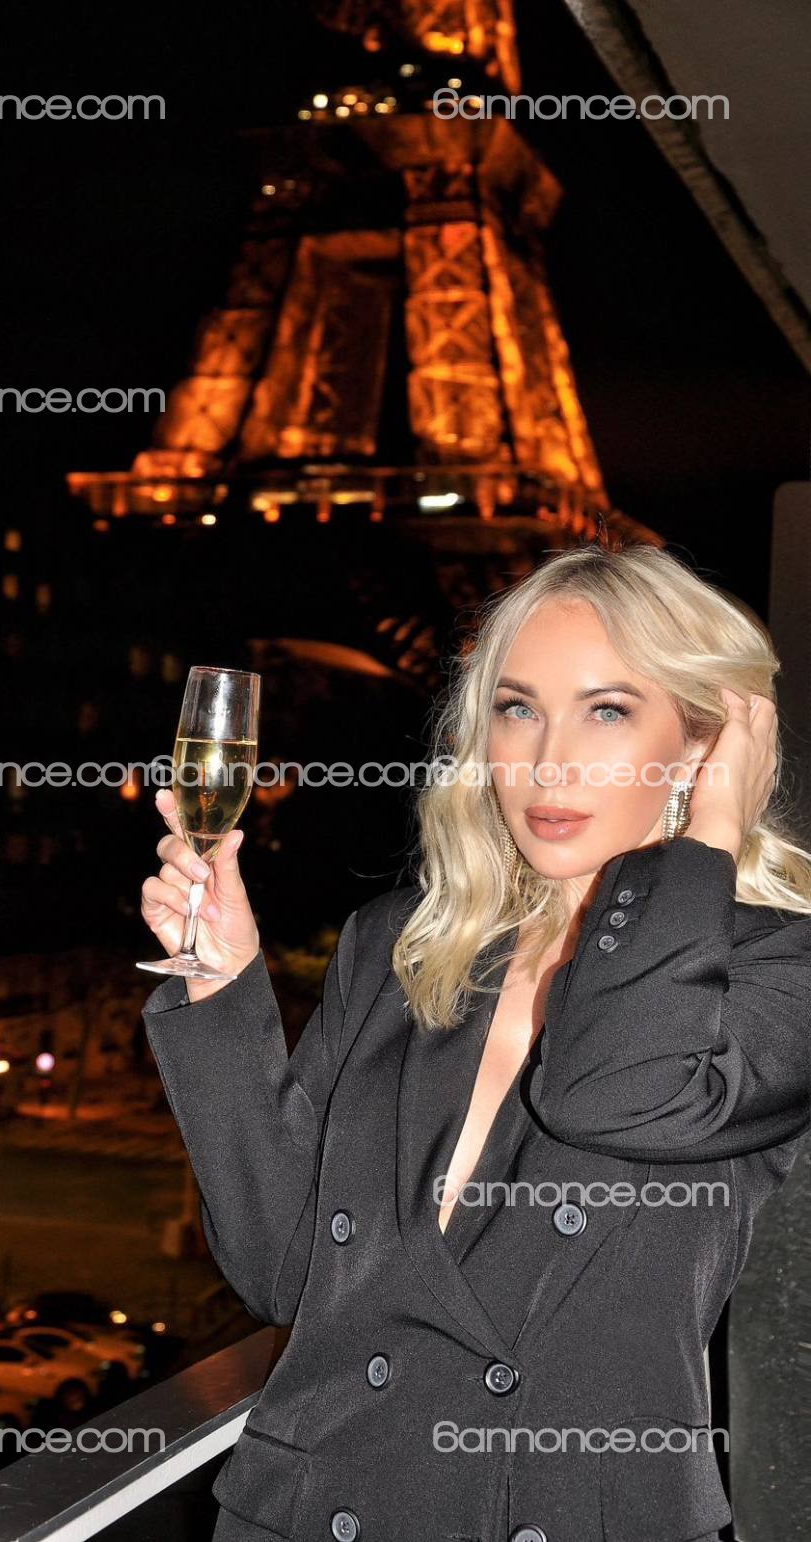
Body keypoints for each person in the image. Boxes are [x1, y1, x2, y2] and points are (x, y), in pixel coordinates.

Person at [139, 542, 811, 1542]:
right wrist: (221, 982)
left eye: (607, 711)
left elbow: (613, 1091)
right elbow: (281, 1268)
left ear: (701, 744)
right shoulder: (404, 947)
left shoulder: (775, 969)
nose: (547, 761)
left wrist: (707, 841)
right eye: (517, 708)